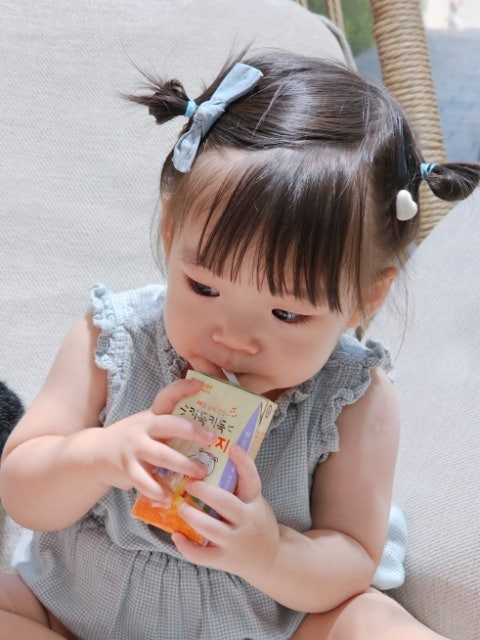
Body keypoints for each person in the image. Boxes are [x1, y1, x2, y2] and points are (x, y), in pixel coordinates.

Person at [0, 51, 478, 640]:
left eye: (287, 313)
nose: (231, 337)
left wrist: (268, 552)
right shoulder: (116, 341)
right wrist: (100, 455)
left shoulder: (352, 400)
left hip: (263, 621)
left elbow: (352, 555)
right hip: (76, 611)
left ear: (364, 299)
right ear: (171, 234)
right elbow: (21, 489)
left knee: (370, 621)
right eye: (203, 287)